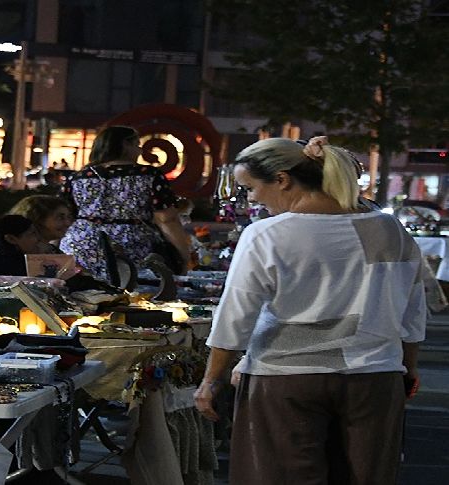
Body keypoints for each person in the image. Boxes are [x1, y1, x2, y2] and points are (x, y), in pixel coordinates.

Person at [193, 137, 427, 485]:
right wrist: (408, 366)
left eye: (250, 188)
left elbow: (235, 316)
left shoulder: (266, 235)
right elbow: (412, 309)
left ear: (282, 179)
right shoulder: (387, 229)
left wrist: (211, 380)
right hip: (375, 378)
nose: (251, 199)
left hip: (285, 380)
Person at [59, 125, 194, 281]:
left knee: (83, 296)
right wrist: (183, 255)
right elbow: (166, 219)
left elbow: (64, 216)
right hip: (131, 247)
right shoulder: (148, 175)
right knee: (134, 297)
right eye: (137, 145)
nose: (140, 150)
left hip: (80, 245)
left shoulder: (77, 177)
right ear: (125, 145)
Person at [8, 195, 73, 248]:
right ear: (37, 218)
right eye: (60, 218)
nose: (68, 223)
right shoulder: (11, 256)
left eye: (68, 217)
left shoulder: (54, 252)